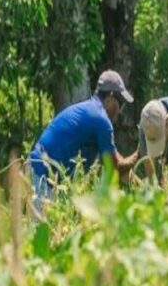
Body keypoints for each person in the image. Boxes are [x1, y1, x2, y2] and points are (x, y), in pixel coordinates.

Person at [29, 70, 138, 212]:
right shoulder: (101, 119)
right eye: (121, 103)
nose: (120, 111)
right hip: (42, 175)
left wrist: (145, 190)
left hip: (38, 170)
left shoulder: (91, 110)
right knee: (41, 231)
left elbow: (118, 166)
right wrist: (140, 154)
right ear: (110, 97)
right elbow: (115, 168)